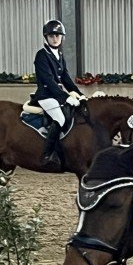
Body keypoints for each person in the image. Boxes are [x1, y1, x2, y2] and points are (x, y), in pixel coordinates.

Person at [33, 19, 85, 165]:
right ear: (46, 37)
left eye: (58, 36)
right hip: (46, 95)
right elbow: (48, 81)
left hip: (57, 96)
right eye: (51, 36)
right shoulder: (41, 55)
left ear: (62, 37)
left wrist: (80, 95)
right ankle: (47, 155)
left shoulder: (60, 56)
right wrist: (65, 97)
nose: (55, 39)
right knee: (60, 119)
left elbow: (67, 80)